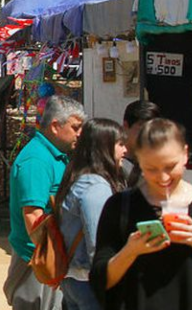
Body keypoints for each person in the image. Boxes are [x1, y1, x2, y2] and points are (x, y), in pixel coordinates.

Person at [90, 118, 192, 310]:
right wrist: (130, 251)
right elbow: (101, 281)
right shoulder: (119, 206)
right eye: (151, 169)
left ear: (185, 154)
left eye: (170, 166)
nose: (163, 177)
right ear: (139, 162)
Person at [5, 95, 87, 310]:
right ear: (55, 126)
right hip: (38, 260)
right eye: (76, 127)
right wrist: (49, 260)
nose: (80, 134)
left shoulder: (56, 156)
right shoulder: (37, 161)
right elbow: (33, 216)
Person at [54, 118, 127, 310]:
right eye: (120, 144)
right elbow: (98, 242)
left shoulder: (77, 178)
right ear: (104, 147)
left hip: (74, 280)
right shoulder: (94, 186)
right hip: (88, 283)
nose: (125, 151)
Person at [120, 100, 160, 185]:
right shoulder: (115, 162)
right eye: (142, 129)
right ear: (126, 126)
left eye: (152, 129)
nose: (147, 135)